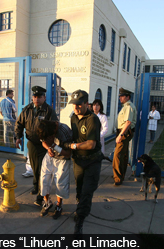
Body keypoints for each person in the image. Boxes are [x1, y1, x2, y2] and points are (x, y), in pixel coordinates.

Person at [65, 89, 102, 235]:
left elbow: (91, 144)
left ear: (87, 103)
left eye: (79, 104)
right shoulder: (73, 117)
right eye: (73, 104)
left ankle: (80, 219)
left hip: (92, 161)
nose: (76, 107)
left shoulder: (92, 119)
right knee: (80, 190)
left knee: (87, 191)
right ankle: (81, 208)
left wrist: (72, 146)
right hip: (78, 161)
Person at [15, 86, 58, 207]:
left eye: (39, 97)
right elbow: (19, 123)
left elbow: (55, 127)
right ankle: (36, 187)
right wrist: (18, 137)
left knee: (42, 170)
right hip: (32, 144)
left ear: (44, 97)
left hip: (44, 145)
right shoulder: (27, 109)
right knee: (34, 168)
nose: (36, 99)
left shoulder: (49, 111)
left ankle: (41, 195)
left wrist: (51, 145)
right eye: (34, 96)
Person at [36, 120, 72, 219]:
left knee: (60, 182)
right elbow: (43, 142)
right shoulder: (44, 128)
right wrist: (48, 148)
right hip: (50, 156)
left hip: (62, 159)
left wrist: (54, 146)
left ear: (53, 133)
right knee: (44, 179)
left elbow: (68, 153)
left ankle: (59, 205)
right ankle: (47, 202)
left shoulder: (64, 131)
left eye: (49, 138)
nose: (47, 139)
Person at [112, 87, 137, 186]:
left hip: (124, 132)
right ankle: (121, 175)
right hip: (123, 132)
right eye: (120, 96)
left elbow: (128, 122)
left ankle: (117, 178)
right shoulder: (126, 106)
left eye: (122, 96)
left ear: (127, 97)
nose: (120, 98)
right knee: (123, 154)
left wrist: (120, 135)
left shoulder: (129, 106)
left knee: (117, 155)